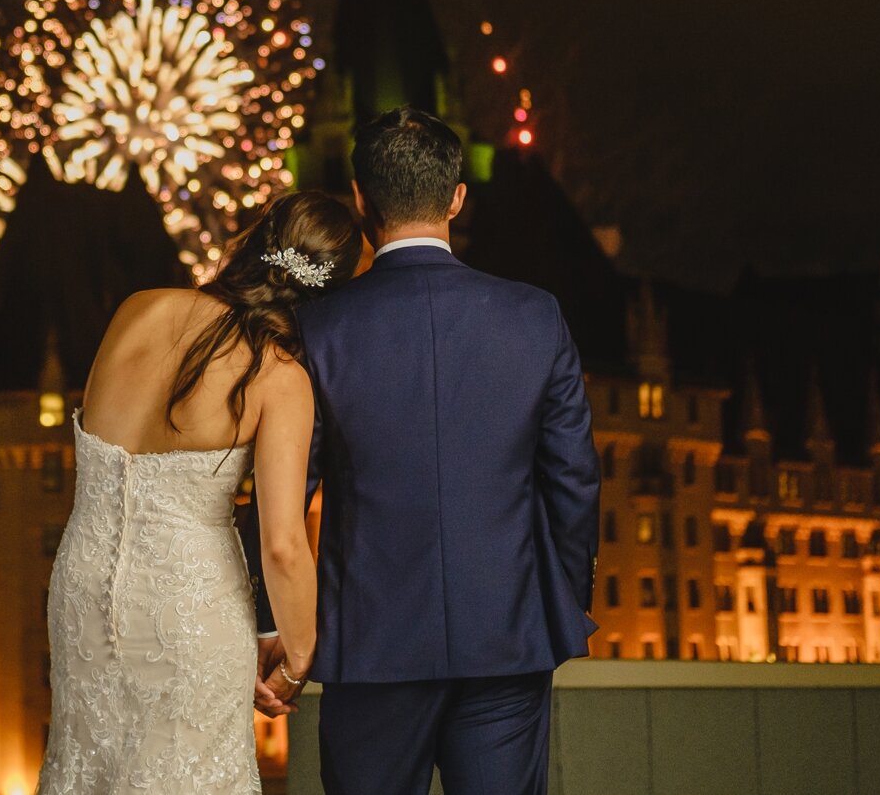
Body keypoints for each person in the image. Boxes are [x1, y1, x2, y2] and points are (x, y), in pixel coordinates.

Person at [246, 106, 602, 795]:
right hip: (507, 634)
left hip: (371, 645)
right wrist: (558, 600)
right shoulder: (536, 316)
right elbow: (574, 482)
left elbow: (284, 494)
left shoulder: (316, 327)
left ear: (360, 199)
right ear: (457, 197)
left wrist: (273, 624)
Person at [34, 190, 363, 795]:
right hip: (188, 605)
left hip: (80, 589)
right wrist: (296, 658)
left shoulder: (139, 309)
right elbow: (285, 543)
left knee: (88, 762)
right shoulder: (278, 375)